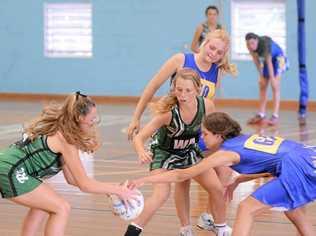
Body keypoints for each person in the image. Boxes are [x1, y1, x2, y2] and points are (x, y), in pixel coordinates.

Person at [131, 112, 316, 236]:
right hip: (306, 155)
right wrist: (241, 179)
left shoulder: (226, 153)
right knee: (293, 210)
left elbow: (181, 175)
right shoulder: (243, 140)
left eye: (205, 134)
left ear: (219, 135)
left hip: (298, 167)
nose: (202, 138)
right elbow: (272, 164)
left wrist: (145, 179)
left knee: (246, 208)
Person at [127, 29, 237, 233]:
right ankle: (185, 227)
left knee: (224, 168)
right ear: (204, 42)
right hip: (173, 132)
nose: (213, 53)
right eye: (211, 47)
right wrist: (136, 118)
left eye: (219, 52)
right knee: (181, 181)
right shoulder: (181, 59)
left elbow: (210, 105)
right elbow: (152, 87)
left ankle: (208, 217)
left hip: (196, 131)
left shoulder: (216, 71)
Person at [0, 92, 136, 236]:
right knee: (61, 208)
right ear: (79, 118)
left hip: (9, 165)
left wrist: (111, 189)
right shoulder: (65, 139)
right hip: (11, 170)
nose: (94, 122)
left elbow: (72, 179)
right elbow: (85, 184)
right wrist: (118, 191)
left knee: (42, 205)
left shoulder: (63, 130)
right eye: (92, 118)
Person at [245, 33, 289, 126]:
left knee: (275, 86)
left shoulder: (264, 44)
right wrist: (261, 76)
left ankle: (275, 115)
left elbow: (269, 63)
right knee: (262, 85)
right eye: (248, 44)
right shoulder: (250, 47)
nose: (250, 46)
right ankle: (261, 114)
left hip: (279, 58)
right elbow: (256, 61)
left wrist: (273, 79)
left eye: (252, 43)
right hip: (268, 60)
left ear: (257, 40)